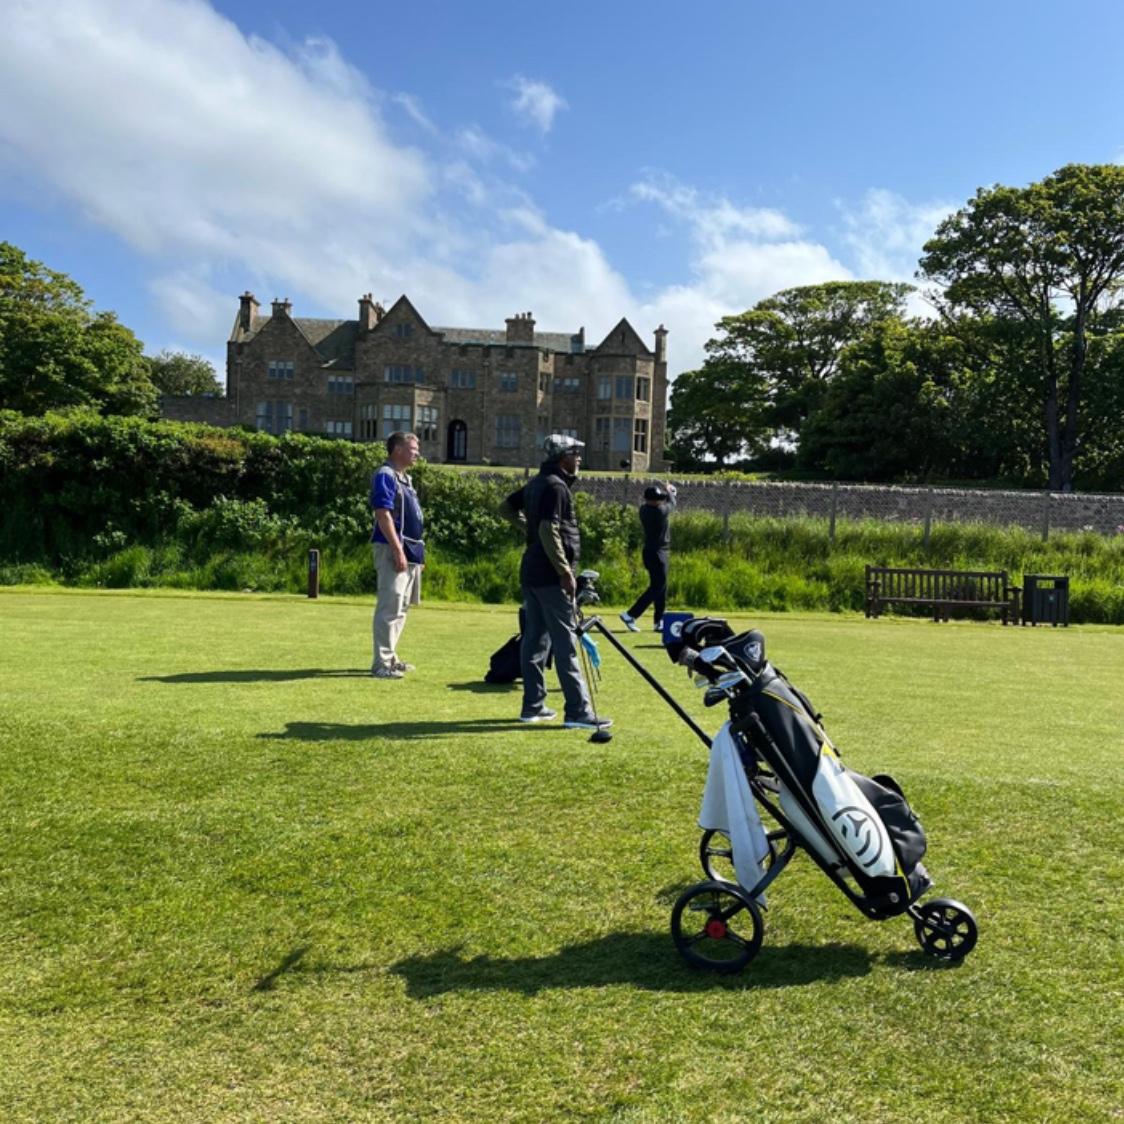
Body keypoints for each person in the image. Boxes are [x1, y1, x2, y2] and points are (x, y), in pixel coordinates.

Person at [499, 434, 612, 730]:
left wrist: (529, 530)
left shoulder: (539, 482)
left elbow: (506, 508)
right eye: (575, 454)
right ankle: (578, 711)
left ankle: (532, 706)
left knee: (535, 640)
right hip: (551, 576)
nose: (578, 460)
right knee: (566, 644)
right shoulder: (556, 486)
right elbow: (550, 531)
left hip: (532, 572)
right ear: (562, 456)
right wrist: (565, 572)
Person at [370, 431, 425, 679]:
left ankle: (391, 657)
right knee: (390, 606)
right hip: (394, 549)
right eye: (413, 448)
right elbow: (383, 513)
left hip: (411, 551)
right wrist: (397, 548)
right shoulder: (385, 475)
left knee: (401, 608)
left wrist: (418, 557)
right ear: (398, 450)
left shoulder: (406, 479)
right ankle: (381, 664)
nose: (417, 453)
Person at [619, 481, 678, 633]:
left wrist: (667, 491)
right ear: (651, 500)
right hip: (657, 553)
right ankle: (630, 614)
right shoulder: (658, 512)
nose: (660, 499)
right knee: (657, 587)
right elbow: (672, 503)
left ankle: (659, 622)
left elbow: (666, 501)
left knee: (661, 587)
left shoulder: (644, 508)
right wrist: (671, 491)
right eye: (657, 498)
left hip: (653, 551)